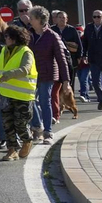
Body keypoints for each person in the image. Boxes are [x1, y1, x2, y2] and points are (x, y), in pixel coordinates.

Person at [26, 8, 69, 144]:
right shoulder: (28, 35)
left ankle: (48, 132)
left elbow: (61, 59)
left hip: (47, 75)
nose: (29, 20)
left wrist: (66, 81)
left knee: (45, 102)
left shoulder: (52, 36)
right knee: (29, 101)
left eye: (32, 18)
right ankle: (37, 125)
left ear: (39, 19)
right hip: (30, 75)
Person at [0, 25, 38, 159]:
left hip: (23, 95)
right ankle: (12, 150)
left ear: (15, 38)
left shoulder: (26, 51)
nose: (5, 38)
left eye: (7, 36)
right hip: (5, 93)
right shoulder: (4, 50)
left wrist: (9, 74)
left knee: (20, 124)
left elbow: (25, 69)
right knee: (7, 124)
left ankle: (27, 140)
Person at [54, 10, 83, 97]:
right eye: (60, 17)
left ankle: (70, 100)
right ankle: (59, 101)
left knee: (70, 82)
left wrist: (79, 57)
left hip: (70, 60)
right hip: (56, 60)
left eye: (63, 17)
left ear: (67, 19)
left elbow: (79, 44)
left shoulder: (71, 30)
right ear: (56, 19)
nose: (62, 19)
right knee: (57, 83)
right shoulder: (52, 30)